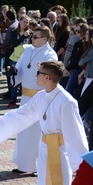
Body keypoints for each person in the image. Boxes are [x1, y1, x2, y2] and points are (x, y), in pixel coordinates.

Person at [10, 26, 58, 174]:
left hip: (41, 99)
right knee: (24, 131)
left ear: (44, 39)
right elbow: (20, 67)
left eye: (35, 37)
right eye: (32, 36)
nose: (32, 39)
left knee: (38, 134)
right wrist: (14, 71)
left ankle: (37, 167)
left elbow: (52, 76)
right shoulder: (28, 50)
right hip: (25, 98)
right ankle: (23, 165)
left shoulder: (50, 54)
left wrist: (43, 70)